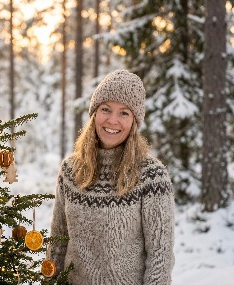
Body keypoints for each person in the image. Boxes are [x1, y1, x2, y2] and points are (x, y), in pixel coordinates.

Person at [49, 69, 175, 285]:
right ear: (94, 114)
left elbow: (160, 257)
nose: (113, 120)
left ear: (134, 121)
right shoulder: (70, 170)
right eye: (106, 109)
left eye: (124, 113)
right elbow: (58, 243)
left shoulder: (151, 176)